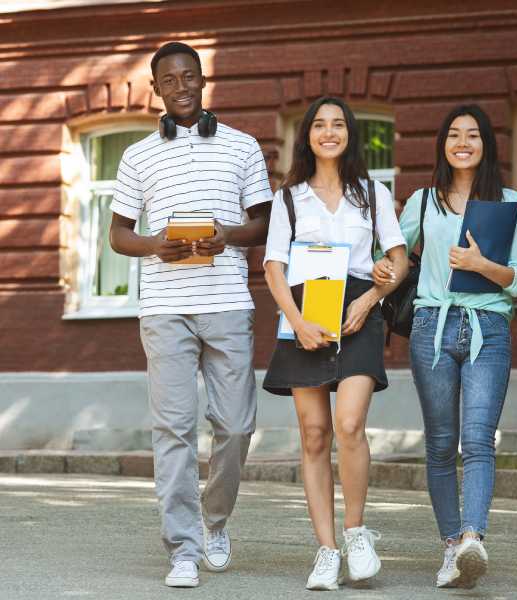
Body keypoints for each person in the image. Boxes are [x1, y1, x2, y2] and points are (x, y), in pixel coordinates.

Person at [108, 41, 272, 588]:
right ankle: (182, 548)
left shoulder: (243, 146)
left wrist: (227, 236)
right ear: (156, 88)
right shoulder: (137, 156)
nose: (181, 86)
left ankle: (215, 521)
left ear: (203, 81)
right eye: (169, 79)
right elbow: (119, 235)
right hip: (164, 309)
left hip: (227, 301)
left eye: (189, 76)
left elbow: (264, 226)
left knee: (236, 425)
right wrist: (156, 244)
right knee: (173, 430)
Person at [372, 105, 517, 589]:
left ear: (487, 144)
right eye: (454, 135)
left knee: (479, 439)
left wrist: (483, 265)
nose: (463, 142)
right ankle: (450, 548)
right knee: (441, 443)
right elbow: (394, 256)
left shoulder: (510, 203)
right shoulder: (423, 201)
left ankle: (472, 539)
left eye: (474, 135)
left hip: (489, 327)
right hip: (431, 328)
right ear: (443, 144)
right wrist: (383, 268)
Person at [261, 96, 408, 591]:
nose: (329, 132)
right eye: (319, 125)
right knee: (315, 434)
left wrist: (372, 299)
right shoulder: (289, 197)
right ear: (307, 135)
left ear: (350, 133)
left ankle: (356, 533)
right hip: (306, 311)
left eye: (338, 124)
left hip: (358, 311)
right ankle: (326, 551)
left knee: (349, 423)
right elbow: (274, 267)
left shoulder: (373, 192)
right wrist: (298, 321)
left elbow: (397, 260)